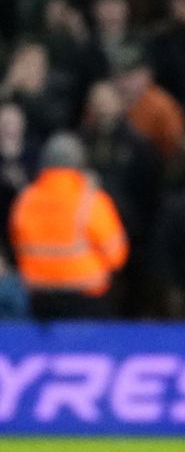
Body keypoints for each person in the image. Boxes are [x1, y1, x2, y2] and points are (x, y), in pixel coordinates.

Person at [8, 132, 129, 319]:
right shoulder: (92, 200)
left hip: (39, 300)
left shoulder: (25, 200)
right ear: (80, 163)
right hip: (87, 299)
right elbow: (117, 256)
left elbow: (15, 245)